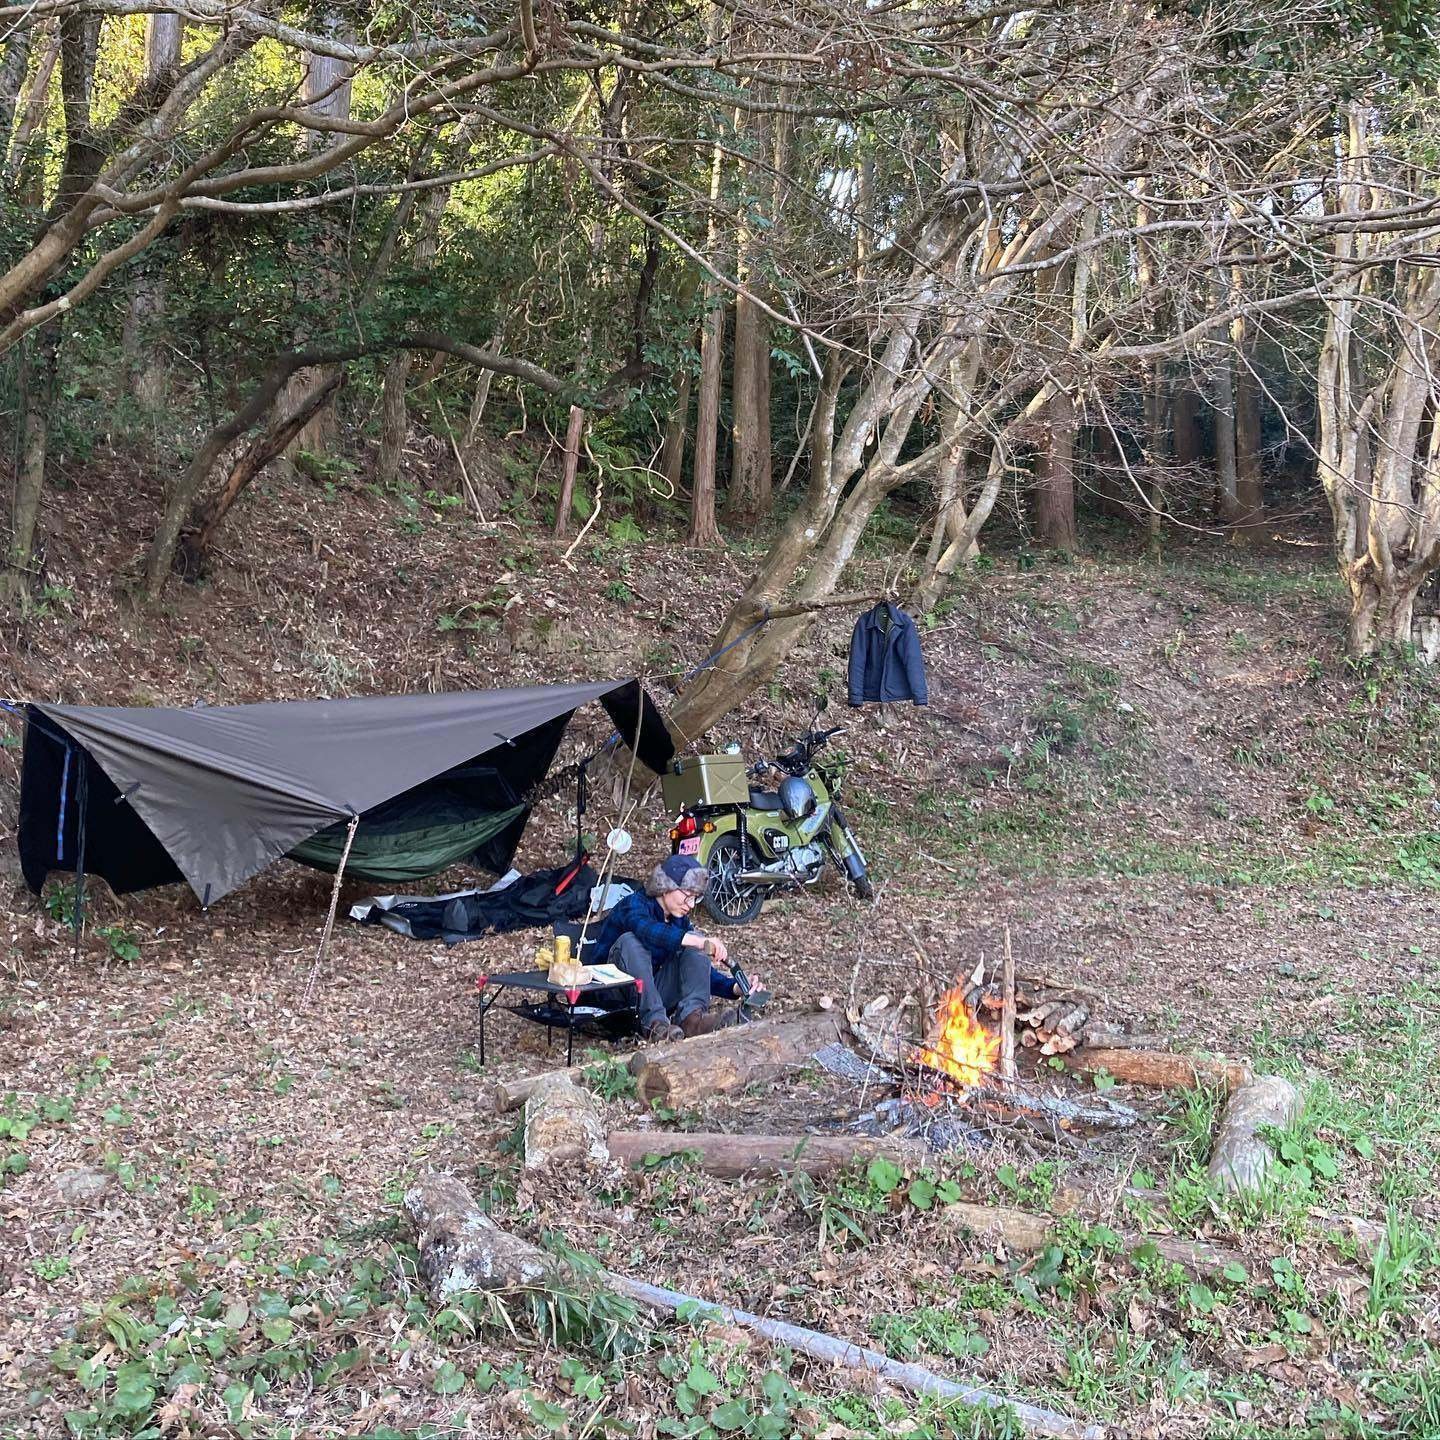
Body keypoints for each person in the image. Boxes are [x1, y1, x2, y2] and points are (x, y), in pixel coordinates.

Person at [590, 855, 749, 1042]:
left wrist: (734, 987)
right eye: (687, 896)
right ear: (666, 887)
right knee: (630, 942)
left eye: (695, 899)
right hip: (615, 997)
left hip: (651, 995)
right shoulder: (633, 905)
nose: (690, 905)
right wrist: (696, 940)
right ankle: (655, 1025)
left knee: (694, 946)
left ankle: (692, 1020)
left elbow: (694, 971)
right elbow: (647, 929)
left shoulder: (678, 920)